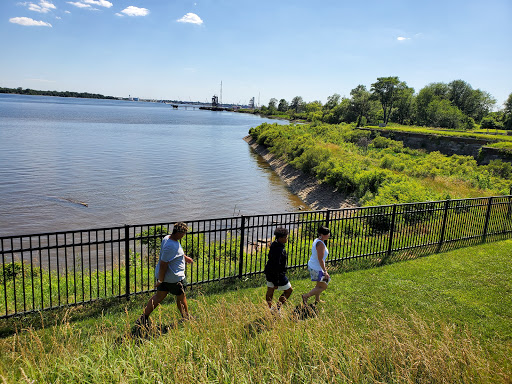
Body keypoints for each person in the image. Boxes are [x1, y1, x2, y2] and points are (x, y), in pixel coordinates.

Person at [136, 222, 193, 327]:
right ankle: (186, 317)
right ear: (179, 233)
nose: (184, 236)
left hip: (166, 277)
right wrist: (160, 281)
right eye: (183, 234)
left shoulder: (168, 238)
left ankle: (143, 318)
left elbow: (176, 254)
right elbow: (163, 264)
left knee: (158, 297)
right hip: (174, 278)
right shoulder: (171, 246)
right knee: (181, 297)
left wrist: (185, 258)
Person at [264, 227, 293, 310]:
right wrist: (276, 281)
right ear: (280, 238)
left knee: (270, 289)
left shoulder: (274, 245)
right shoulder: (279, 250)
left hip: (269, 272)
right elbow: (277, 265)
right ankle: (277, 308)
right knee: (289, 290)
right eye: (285, 237)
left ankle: (269, 309)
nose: (287, 238)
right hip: (277, 275)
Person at [302, 226, 331, 305]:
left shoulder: (317, 240)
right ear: (322, 234)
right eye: (327, 234)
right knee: (324, 285)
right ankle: (306, 296)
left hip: (314, 266)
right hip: (316, 267)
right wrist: (325, 271)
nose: (329, 235)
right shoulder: (320, 244)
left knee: (319, 284)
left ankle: (317, 299)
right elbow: (320, 259)